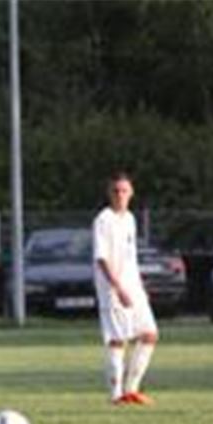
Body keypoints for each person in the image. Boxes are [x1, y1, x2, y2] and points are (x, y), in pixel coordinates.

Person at [93, 171, 158, 405]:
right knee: (117, 339)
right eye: (115, 191)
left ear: (131, 193)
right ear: (109, 194)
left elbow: (130, 258)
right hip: (113, 289)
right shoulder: (104, 220)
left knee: (149, 334)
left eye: (124, 190)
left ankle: (132, 389)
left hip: (132, 287)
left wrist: (138, 286)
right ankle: (116, 395)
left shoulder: (129, 218)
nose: (120, 195)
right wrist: (118, 287)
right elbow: (101, 258)